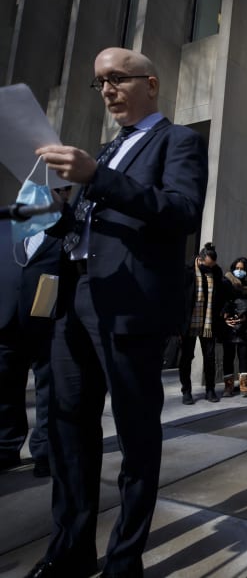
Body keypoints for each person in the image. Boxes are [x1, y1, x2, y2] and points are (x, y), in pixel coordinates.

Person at [31, 47, 208, 578]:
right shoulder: (106, 150)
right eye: (99, 83)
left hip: (130, 305)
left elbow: (180, 210)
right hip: (73, 298)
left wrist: (98, 177)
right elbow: (84, 227)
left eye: (116, 79)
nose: (107, 90)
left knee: (135, 436)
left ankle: (124, 561)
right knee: (68, 430)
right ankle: (71, 548)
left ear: (149, 84)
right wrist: (60, 206)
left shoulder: (178, 141)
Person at [0, 198, 66, 478]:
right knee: (4, 388)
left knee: (48, 392)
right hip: (6, 320)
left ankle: (45, 451)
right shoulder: (6, 226)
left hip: (46, 321)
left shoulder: (64, 231)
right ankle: (6, 447)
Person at [179, 242, 225, 404]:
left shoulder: (216, 272)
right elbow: (179, 298)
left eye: (212, 266)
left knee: (210, 357)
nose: (209, 268)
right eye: (207, 265)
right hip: (189, 322)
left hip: (209, 322)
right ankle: (186, 390)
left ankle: (210, 389)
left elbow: (222, 295)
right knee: (186, 357)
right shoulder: (186, 270)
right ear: (200, 259)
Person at [221, 257, 247, 397]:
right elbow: (221, 302)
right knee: (228, 358)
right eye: (237, 268)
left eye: (242, 269)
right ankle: (228, 387)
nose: (239, 271)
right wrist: (225, 318)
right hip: (229, 328)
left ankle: (245, 387)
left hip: (246, 327)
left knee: (245, 357)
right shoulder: (225, 284)